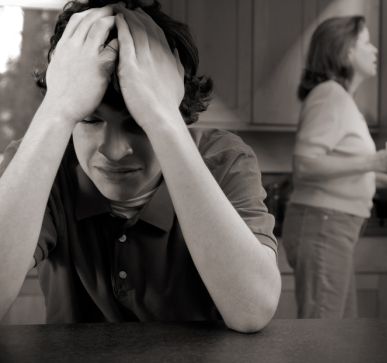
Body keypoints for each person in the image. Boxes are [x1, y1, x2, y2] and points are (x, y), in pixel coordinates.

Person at [0, 0, 281, 333]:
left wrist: (162, 117)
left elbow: (252, 310)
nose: (115, 151)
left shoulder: (224, 159)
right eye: (90, 119)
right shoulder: (41, 161)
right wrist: (58, 109)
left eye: (139, 122)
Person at [281, 15, 387, 319]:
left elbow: (340, 166)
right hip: (323, 225)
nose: (375, 50)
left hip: (331, 226)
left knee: (339, 333)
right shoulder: (329, 97)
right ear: (346, 51)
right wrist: (375, 160)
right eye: (366, 42)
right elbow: (305, 166)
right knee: (323, 337)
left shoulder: (340, 99)